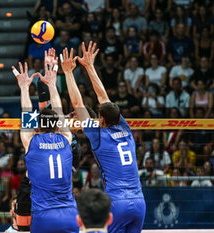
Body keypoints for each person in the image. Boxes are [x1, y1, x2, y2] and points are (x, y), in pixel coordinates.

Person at [62, 41, 145, 233]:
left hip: (117, 202)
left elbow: (77, 102)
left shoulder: (97, 132)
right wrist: (90, 66)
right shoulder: (124, 126)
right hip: (139, 201)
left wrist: (68, 72)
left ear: (101, 119)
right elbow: (104, 99)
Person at [12, 48, 79, 233]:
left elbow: (26, 112)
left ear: (37, 127)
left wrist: (25, 87)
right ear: (57, 126)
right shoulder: (66, 138)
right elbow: (58, 110)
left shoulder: (30, 142)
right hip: (70, 214)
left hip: (44, 215)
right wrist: (52, 83)